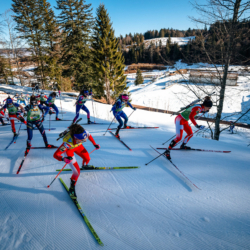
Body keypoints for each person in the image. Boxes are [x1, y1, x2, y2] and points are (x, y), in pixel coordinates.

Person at [53, 124, 100, 198]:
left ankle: (84, 166)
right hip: (69, 151)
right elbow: (56, 155)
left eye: (85, 139)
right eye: (82, 140)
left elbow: (89, 135)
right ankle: (72, 188)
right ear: (75, 138)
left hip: (78, 147)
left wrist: (94, 144)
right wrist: (64, 159)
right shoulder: (67, 143)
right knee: (76, 172)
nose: (84, 141)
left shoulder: (83, 132)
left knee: (87, 158)